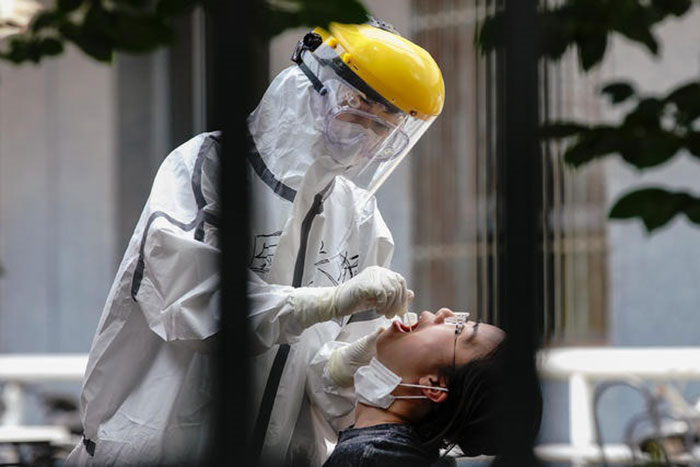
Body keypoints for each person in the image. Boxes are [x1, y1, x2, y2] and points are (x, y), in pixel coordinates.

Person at [65, 18, 444, 467]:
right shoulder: (206, 166)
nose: (369, 135)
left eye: (385, 126)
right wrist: (326, 302)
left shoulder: (360, 217)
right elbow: (197, 306)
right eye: (359, 108)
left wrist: (344, 366)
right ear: (312, 86)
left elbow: (338, 403)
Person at [309, 309, 508, 466]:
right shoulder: (395, 452)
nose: (445, 313)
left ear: (435, 385)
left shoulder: (368, 458)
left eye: (459, 327)